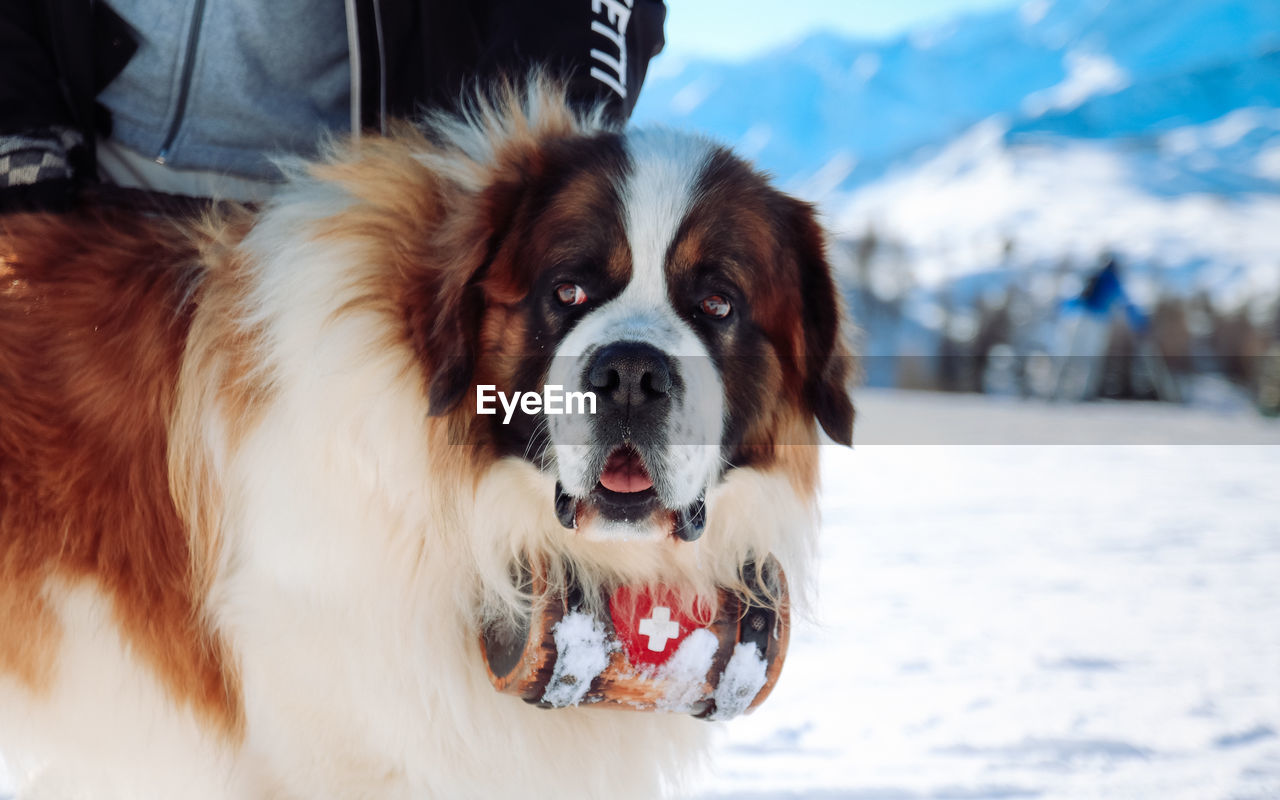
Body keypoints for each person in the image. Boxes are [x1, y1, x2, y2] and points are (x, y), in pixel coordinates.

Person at [0, 0, 667, 212]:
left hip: (321, 214)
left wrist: (546, 168)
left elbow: (582, 19)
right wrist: (18, 131)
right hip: (80, 176)